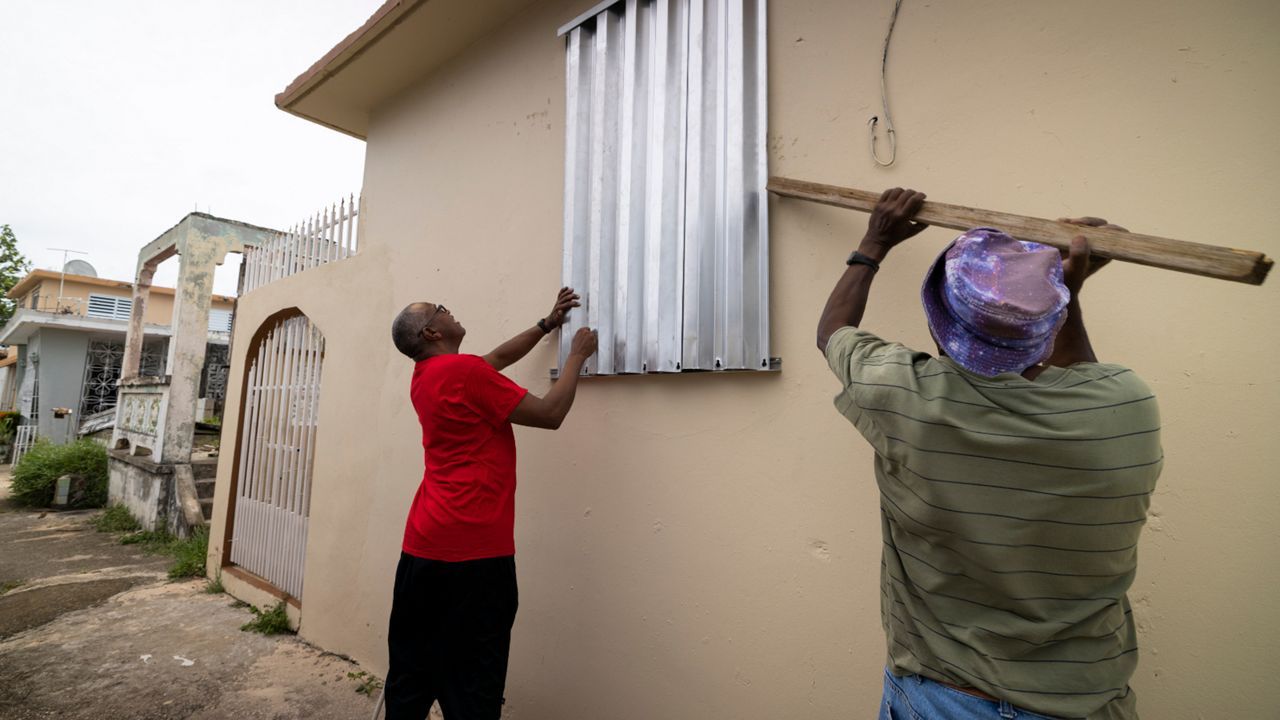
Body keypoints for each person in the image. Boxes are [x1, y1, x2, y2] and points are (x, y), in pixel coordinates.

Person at [817, 188, 1162, 719]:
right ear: (1048, 330)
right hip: (1090, 705)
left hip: (946, 701)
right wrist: (1063, 292)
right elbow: (1086, 380)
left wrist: (874, 241)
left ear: (942, 325)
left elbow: (834, 331)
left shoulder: (904, 396)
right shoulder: (1128, 407)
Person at [384, 287, 598, 720]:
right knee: (474, 685)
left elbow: (496, 359)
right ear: (431, 331)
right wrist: (577, 355)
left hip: (422, 550)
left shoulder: (429, 376)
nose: (449, 309)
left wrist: (546, 324)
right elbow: (550, 414)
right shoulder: (465, 375)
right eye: (441, 309)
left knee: (412, 677)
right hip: (476, 557)